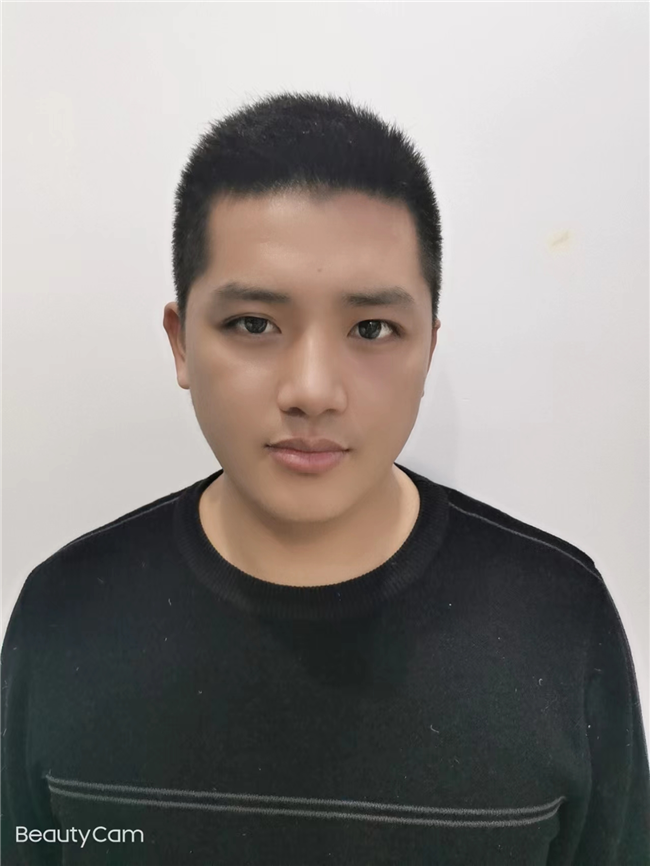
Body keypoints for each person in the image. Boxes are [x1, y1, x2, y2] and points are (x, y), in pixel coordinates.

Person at [2, 90, 648, 866]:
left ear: (428, 347)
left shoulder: (558, 622)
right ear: (181, 344)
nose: (312, 389)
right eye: (253, 324)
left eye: (372, 328)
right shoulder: (64, 616)